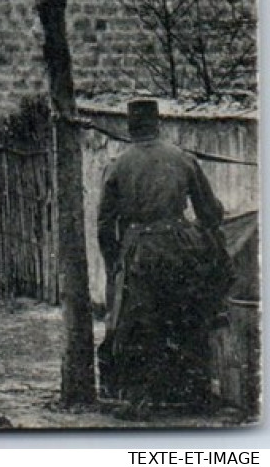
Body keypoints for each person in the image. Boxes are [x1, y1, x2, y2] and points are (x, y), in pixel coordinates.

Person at [96, 99, 229, 419]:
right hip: (182, 246)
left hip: (140, 250)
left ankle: (139, 400)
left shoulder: (117, 165)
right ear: (158, 123)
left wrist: (115, 259)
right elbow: (210, 212)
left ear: (130, 127)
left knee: (139, 325)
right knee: (188, 315)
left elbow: (104, 223)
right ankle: (198, 394)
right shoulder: (183, 159)